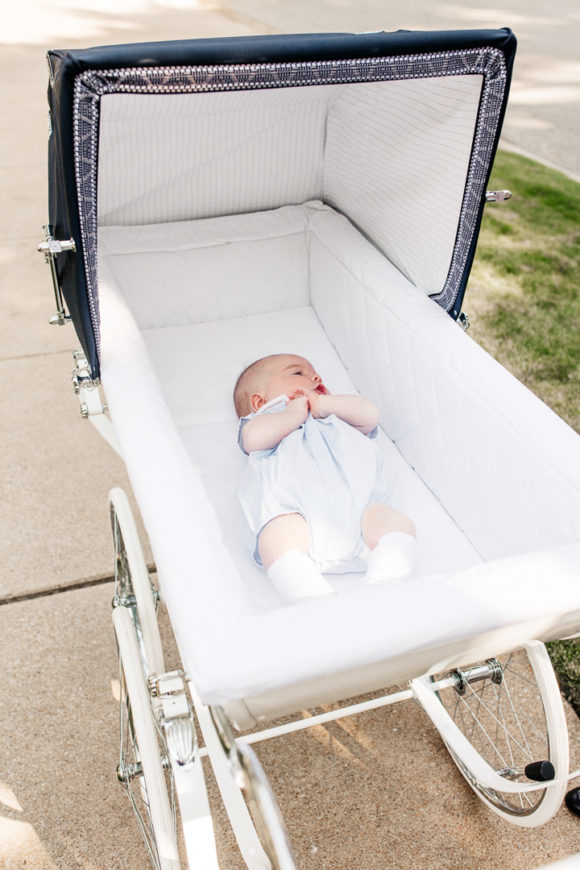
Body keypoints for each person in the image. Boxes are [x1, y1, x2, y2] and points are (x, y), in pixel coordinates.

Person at [234, 353, 416, 603]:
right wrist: (290, 416)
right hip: (297, 518)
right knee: (275, 541)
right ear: (259, 401)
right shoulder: (263, 422)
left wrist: (324, 405)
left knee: (397, 525)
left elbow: (370, 415)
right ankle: (317, 602)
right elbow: (252, 439)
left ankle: (385, 583)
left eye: (315, 373)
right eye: (298, 373)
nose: (315, 377)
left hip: (363, 514)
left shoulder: (334, 414)